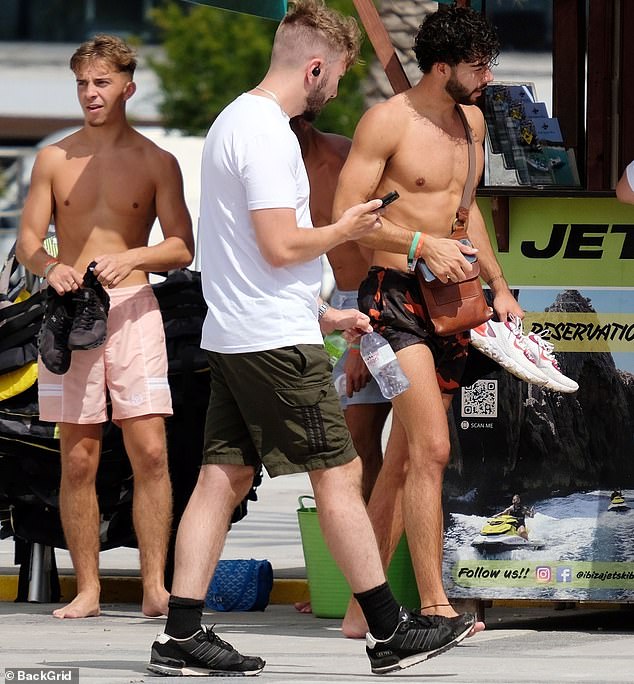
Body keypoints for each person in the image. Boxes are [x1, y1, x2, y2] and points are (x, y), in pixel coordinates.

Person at [147, 1, 474, 677]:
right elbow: (279, 242)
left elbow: (245, 254)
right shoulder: (266, 132)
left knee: (223, 476)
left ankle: (180, 635)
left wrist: (324, 313)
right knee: (342, 472)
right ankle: (388, 632)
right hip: (272, 343)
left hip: (240, 331)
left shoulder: (232, 120)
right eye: (335, 77)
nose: (332, 93)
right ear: (315, 67)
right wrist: (347, 230)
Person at [332, 5, 524, 638]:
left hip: (455, 301)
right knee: (434, 449)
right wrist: (417, 244)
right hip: (393, 296)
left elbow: (465, 219)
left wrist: (499, 287)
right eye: (478, 66)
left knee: (404, 459)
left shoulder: (471, 121)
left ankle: (362, 611)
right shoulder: (387, 122)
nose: (488, 77)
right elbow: (348, 217)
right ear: (443, 67)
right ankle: (436, 607)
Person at [16, 34, 195, 619]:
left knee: (149, 453)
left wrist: (135, 258)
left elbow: (181, 247)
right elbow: (25, 244)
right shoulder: (52, 158)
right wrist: (51, 266)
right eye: (82, 84)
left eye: (100, 83)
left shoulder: (156, 161)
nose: (90, 94)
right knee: (78, 457)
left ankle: (153, 588)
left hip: (134, 311)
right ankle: (87, 589)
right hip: (71, 316)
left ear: (127, 87)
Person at [289, 116, 391, 615]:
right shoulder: (271, 166)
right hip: (341, 306)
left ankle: (374, 588)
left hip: (380, 301)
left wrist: (358, 337)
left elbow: (379, 250)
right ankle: (355, 580)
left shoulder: (343, 159)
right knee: (354, 443)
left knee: (401, 447)